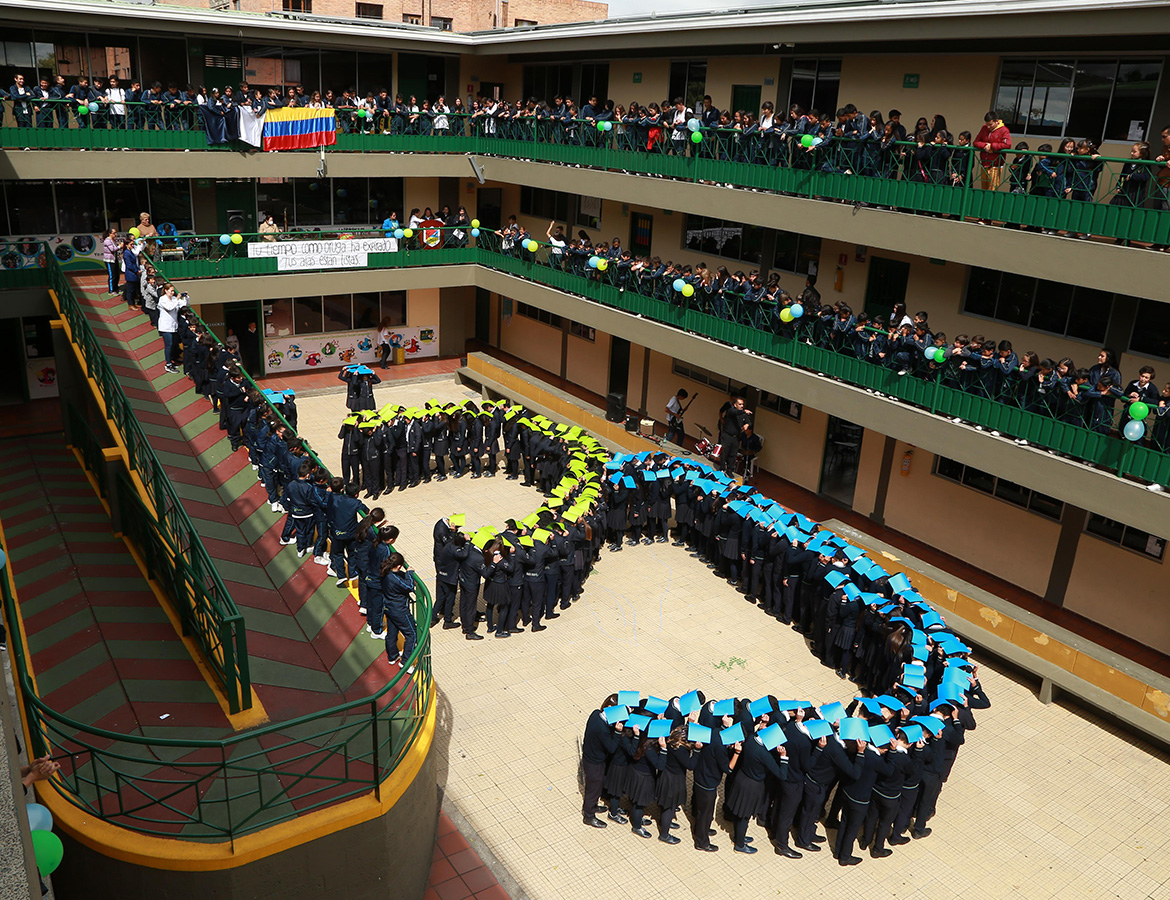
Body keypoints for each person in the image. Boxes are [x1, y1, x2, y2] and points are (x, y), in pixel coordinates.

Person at [379, 552, 418, 672]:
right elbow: (409, 586)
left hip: (388, 607)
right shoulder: (394, 578)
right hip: (399, 609)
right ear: (399, 566)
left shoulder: (385, 572)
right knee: (412, 634)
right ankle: (406, 662)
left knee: (392, 632)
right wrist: (410, 573)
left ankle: (392, 656)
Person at [156, 285, 185, 374]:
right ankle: (168, 364)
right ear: (166, 290)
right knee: (169, 345)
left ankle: (172, 360)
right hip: (165, 327)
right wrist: (177, 299)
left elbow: (183, 304)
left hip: (173, 326)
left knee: (174, 344)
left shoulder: (173, 298)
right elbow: (169, 308)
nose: (172, 292)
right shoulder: (162, 299)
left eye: (173, 291)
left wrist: (186, 298)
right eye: (171, 291)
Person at [102, 226, 121, 296]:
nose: (115, 234)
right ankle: (111, 290)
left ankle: (116, 288)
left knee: (117, 274)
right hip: (109, 260)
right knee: (112, 275)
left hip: (114, 259)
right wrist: (120, 246)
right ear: (110, 233)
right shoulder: (107, 240)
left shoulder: (113, 240)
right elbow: (113, 249)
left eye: (116, 233)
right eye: (114, 233)